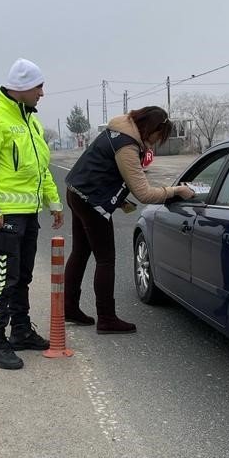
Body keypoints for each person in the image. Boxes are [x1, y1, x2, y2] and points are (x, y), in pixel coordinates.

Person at [63, 106, 196, 334]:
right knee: (105, 260)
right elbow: (144, 193)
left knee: (80, 252)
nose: (155, 143)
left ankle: (70, 308)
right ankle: (106, 318)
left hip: (77, 192)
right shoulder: (127, 145)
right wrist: (176, 191)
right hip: (92, 201)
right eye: (157, 137)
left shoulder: (117, 131)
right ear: (152, 129)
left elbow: (106, 171)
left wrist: (119, 199)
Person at [0, 58, 64, 370]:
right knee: (4, 279)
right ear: (22, 88)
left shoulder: (30, 121)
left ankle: (20, 331)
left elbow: (40, 167)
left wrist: (54, 201)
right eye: (39, 87)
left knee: (23, 276)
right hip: (5, 215)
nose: (43, 93)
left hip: (28, 212)